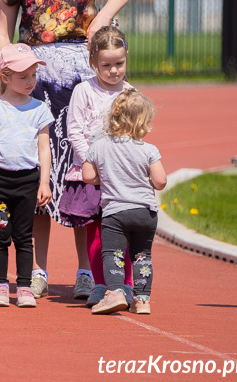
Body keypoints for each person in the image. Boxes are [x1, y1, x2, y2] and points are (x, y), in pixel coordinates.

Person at [0, 0, 130, 299]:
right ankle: (36, 269)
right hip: (34, 77)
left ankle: (87, 271)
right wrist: (2, 72)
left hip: (82, 80)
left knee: (82, 173)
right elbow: (4, 26)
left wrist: (101, 20)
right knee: (37, 170)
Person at [0, 44, 53, 308]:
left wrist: (44, 182)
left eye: (33, 75)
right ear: (5, 78)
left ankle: (23, 287)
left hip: (27, 182)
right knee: (0, 233)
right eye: (24, 77)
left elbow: (44, 148)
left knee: (23, 234)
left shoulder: (40, 109)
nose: (31, 81)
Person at [65, 26, 134, 308]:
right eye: (106, 65)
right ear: (94, 62)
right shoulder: (84, 91)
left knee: (123, 235)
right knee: (95, 235)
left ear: (127, 57)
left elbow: (136, 134)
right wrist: (92, 166)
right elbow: (74, 131)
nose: (114, 71)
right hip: (90, 177)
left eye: (119, 64)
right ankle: (100, 284)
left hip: (121, 180)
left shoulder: (131, 94)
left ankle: (126, 286)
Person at [83, 89, 167, 315]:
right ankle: (142, 300)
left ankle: (116, 292)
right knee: (142, 256)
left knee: (113, 254)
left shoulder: (100, 146)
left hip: (115, 212)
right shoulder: (149, 150)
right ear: (141, 122)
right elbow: (160, 182)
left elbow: (87, 176)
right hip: (145, 213)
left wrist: (105, 177)